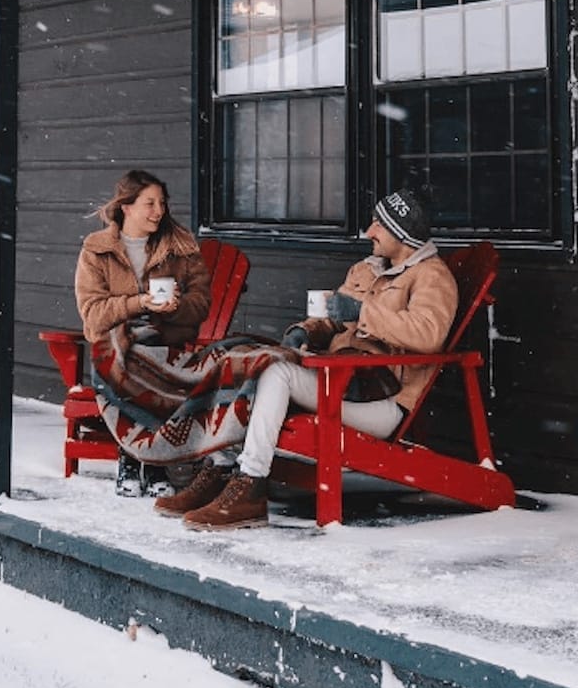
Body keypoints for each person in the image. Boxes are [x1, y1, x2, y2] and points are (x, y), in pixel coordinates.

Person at [156, 184, 458, 531]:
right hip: (340, 383)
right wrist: (304, 331)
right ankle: (221, 470)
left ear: (402, 233)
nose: (369, 231)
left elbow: (428, 334)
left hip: (381, 401)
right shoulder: (366, 269)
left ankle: (251, 487)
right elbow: (332, 318)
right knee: (244, 362)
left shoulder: (433, 277)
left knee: (276, 375)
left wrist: (364, 312)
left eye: (379, 224)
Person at [74, 168, 211, 493]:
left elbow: (201, 304)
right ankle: (152, 462)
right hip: (115, 348)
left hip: (167, 347)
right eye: (149, 203)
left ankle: (135, 458)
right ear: (127, 207)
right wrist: (140, 304)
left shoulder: (181, 248)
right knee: (127, 356)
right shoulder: (97, 250)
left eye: (162, 203)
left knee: (143, 356)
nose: (159, 211)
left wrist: (174, 307)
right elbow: (93, 316)